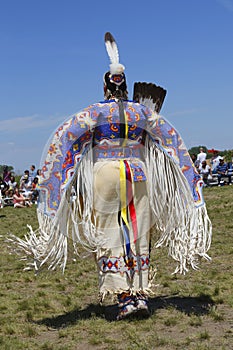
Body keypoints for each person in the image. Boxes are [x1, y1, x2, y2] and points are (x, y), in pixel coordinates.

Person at [8, 32, 212, 320]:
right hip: (138, 174)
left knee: (110, 234)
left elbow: (63, 139)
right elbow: (172, 140)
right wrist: (192, 187)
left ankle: (125, 297)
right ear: (125, 86)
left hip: (104, 174)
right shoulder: (141, 112)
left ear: (105, 88)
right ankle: (139, 294)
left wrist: (53, 185)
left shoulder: (94, 112)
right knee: (138, 233)